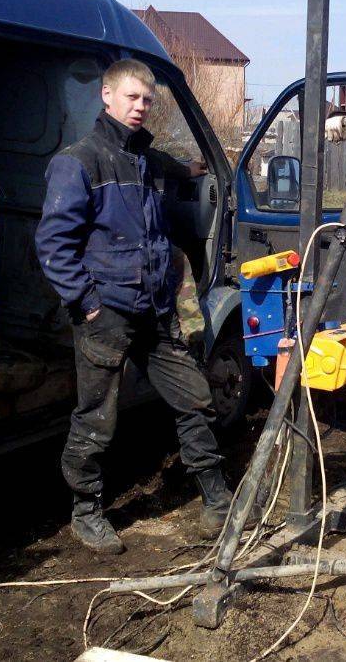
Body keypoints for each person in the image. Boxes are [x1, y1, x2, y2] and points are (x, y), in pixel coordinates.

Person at [35, 58, 233, 554]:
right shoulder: (79, 161)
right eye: (131, 97)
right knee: (97, 418)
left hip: (155, 308)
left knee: (195, 399)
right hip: (107, 312)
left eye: (147, 99)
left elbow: (171, 169)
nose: (140, 106)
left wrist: (194, 169)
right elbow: (54, 245)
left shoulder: (146, 160)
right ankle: (86, 512)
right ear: (106, 96)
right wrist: (88, 304)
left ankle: (216, 498)